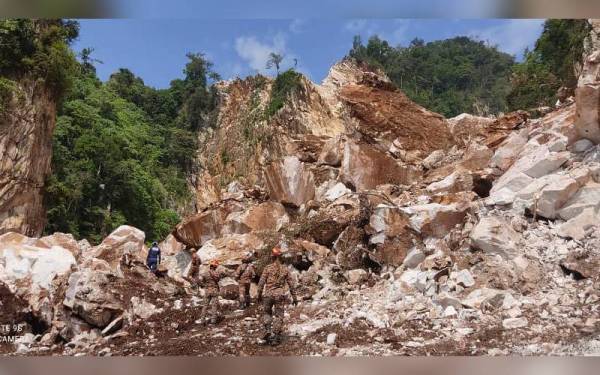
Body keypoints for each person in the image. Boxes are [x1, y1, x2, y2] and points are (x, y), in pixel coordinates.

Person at [257, 247, 298, 345]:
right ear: (281, 257)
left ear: (272, 257)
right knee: (279, 316)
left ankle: (267, 329)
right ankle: (275, 337)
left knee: (267, 313)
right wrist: (295, 298)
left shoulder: (267, 268)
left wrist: (258, 295)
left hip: (268, 295)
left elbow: (261, 283)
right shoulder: (285, 269)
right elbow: (291, 285)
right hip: (279, 295)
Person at [198, 259, 230, 325]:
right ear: (215, 267)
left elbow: (200, 281)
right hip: (215, 290)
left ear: (210, 266)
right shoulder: (216, 273)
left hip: (207, 291)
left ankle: (202, 320)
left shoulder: (205, 273)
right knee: (214, 306)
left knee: (205, 306)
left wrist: (203, 285)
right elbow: (219, 279)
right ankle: (213, 321)